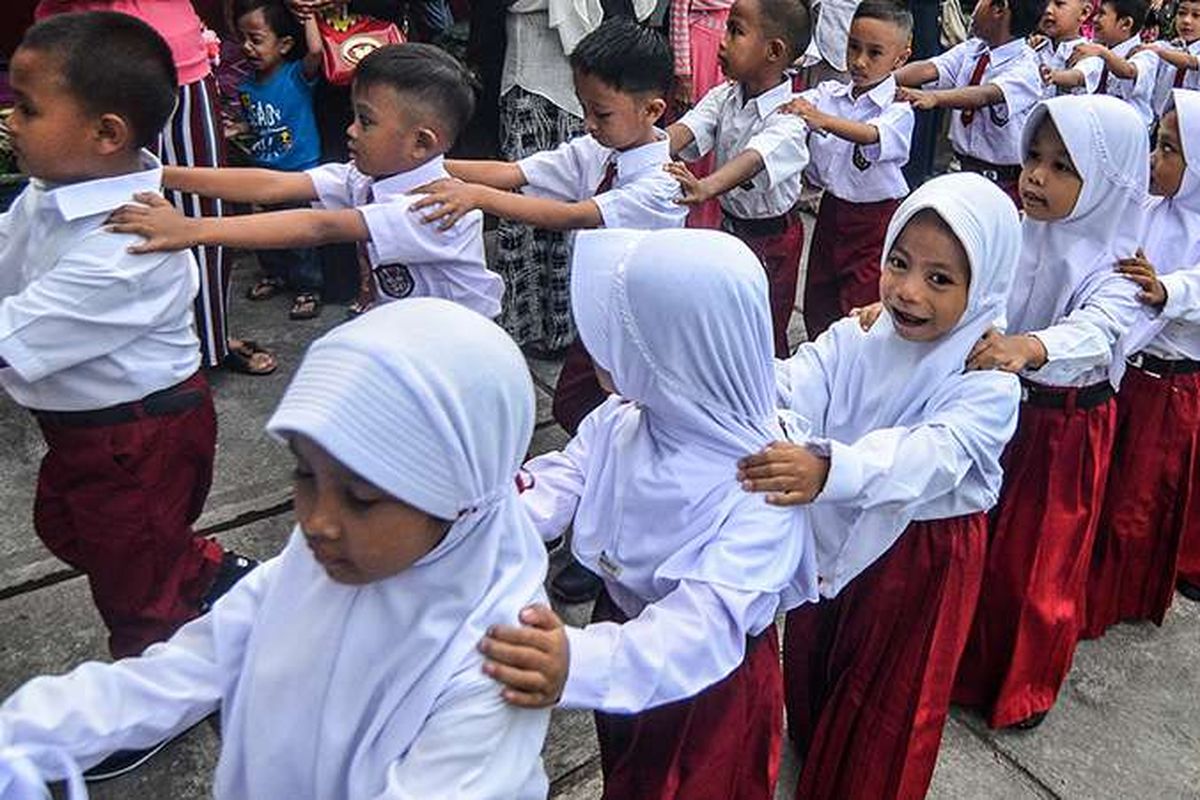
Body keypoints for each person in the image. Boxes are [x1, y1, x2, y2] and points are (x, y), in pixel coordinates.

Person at [0, 299, 553, 799]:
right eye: (304, 474)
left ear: (464, 499)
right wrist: (25, 728)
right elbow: (189, 666)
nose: (316, 521)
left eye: (361, 499)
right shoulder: (309, 568)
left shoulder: (502, 660)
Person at [480, 229, 820, 800]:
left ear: (673, 354)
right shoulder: (626, 417)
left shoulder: (763, 483)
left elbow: (703, 627)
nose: (599, 349)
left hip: (706, 689)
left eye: (621, 333)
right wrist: (473, 522)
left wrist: (578, 662)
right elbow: (562, 478)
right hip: (618, 629)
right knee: (629, 773)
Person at [740, 172, 1020, 800]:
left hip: (920, 556)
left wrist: (830, 467)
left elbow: (931, 456)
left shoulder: (988, 379)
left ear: (984, 289)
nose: (909, 291)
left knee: (890, 694)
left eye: (940, 279)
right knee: (815, 652)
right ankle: (818, 750)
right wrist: (732, 388)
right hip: (833, 516)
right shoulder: (865, 332)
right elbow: (801, 376)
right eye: (899, 263)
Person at [1, 10, 258, 663]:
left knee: (134, 590)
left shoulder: (125, 245)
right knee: (75, 529)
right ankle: (195, 567)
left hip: (138, 437)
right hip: (87, 430)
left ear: (105, 132)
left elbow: (13, 332)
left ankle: (156, 683)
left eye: (27, 109)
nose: (11, 120)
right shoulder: (51, 189)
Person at [952, 94, 1152, 730]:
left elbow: (1100, 330)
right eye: (1034, 157)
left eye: (1064, 166)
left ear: (1107, 179)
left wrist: (1031, 346)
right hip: (1001, 405)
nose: (1036, 175)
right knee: (983, 540)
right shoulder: (1017, 227)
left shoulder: (1115, 263)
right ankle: (963, 661)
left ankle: (1023, 685)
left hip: (1065, 424)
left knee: (1039, 561)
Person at [107, 44, 504, 321]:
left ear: (421, 142)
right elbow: (272, 186)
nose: (349, 130)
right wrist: (159, 175)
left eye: (365, 121)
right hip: (412, 329)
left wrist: (193, 229)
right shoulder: (367, 177)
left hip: (459, 345)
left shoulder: (434, 205)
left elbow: (318, 226)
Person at [35, 0, 278, 376]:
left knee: (203, 213)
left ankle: (211, 341)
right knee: (119, 218)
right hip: (95, 62)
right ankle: (134, 357)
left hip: (184, 58)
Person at [1084, 90, 1200, 637]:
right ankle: (1087, 589)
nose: (1156, 161)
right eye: (1156, 145)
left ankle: (1115, 597)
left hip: (1167, 385)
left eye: (1170, 150)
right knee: (1107, 489)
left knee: (1138, 499)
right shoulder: (1150, 209)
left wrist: (1166, 289)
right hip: (1127, 373)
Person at [665, 0, 813, 356]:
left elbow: (754, 158)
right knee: (722, 324)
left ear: (774, 51)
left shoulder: (790, 117)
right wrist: (639, 148)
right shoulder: (724, 96)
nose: (721, 40)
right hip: (731, 229)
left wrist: (706, 187)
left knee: (763, 335)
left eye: (735, 31)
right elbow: (685, 130)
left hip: (773, 241)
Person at [786, 0, 914, 339]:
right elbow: (798, 103)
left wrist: (822, 121)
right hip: (832, 211)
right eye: (853, 47)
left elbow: (873, 134)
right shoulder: (831, 94)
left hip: (874, 221)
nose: (859, 61)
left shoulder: (899, 108)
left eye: (874, 53)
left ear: (900, 58)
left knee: (859, 308)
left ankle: (853, 379)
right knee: (818, 297)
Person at [894, 0, 1045, 204]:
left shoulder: (1026, 67)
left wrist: (935, 97)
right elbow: (930, 69)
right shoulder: (973, 50)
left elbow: (985, 95)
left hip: (1001, 182)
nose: (973, 8)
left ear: (999, 8)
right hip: (961, 170)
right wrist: (883, 79)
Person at [233, 0, 326, 320]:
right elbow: (253, 123)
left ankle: (307, 287)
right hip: (263, 173)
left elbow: (315, 52)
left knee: (300, 236)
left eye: (256, 39)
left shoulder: (295, 76)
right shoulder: (245, 87)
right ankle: (274, 274)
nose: (247, 47)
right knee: (265, 231)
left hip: (298, 172)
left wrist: (309, 15)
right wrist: (238, 128)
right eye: (243, 39)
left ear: (285, 44)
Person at [1067, 0, 1159, 127]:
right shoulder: (1096, 47)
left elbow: (1128, 71)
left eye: (1101, 14)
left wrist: (1102, 53)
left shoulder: (1145, 55)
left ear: (1126, 24)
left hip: (1128, 133)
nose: (1094, 19)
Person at [1032, 0, 1106, 96]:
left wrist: (1054, 76)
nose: (1047, 10)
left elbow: (1078, 77)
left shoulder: (1088, 51)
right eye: (1044, 4)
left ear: (1084, 12)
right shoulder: (1038, 46)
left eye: (1059, 4)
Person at [1143, 0, 1200, 115]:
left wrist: (1160, 52)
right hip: (1159, 124)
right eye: (1181, 13)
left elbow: (1190, 62)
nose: (1186, 21)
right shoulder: (1167, 46)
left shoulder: (1162, 51)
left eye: (1196, 15)